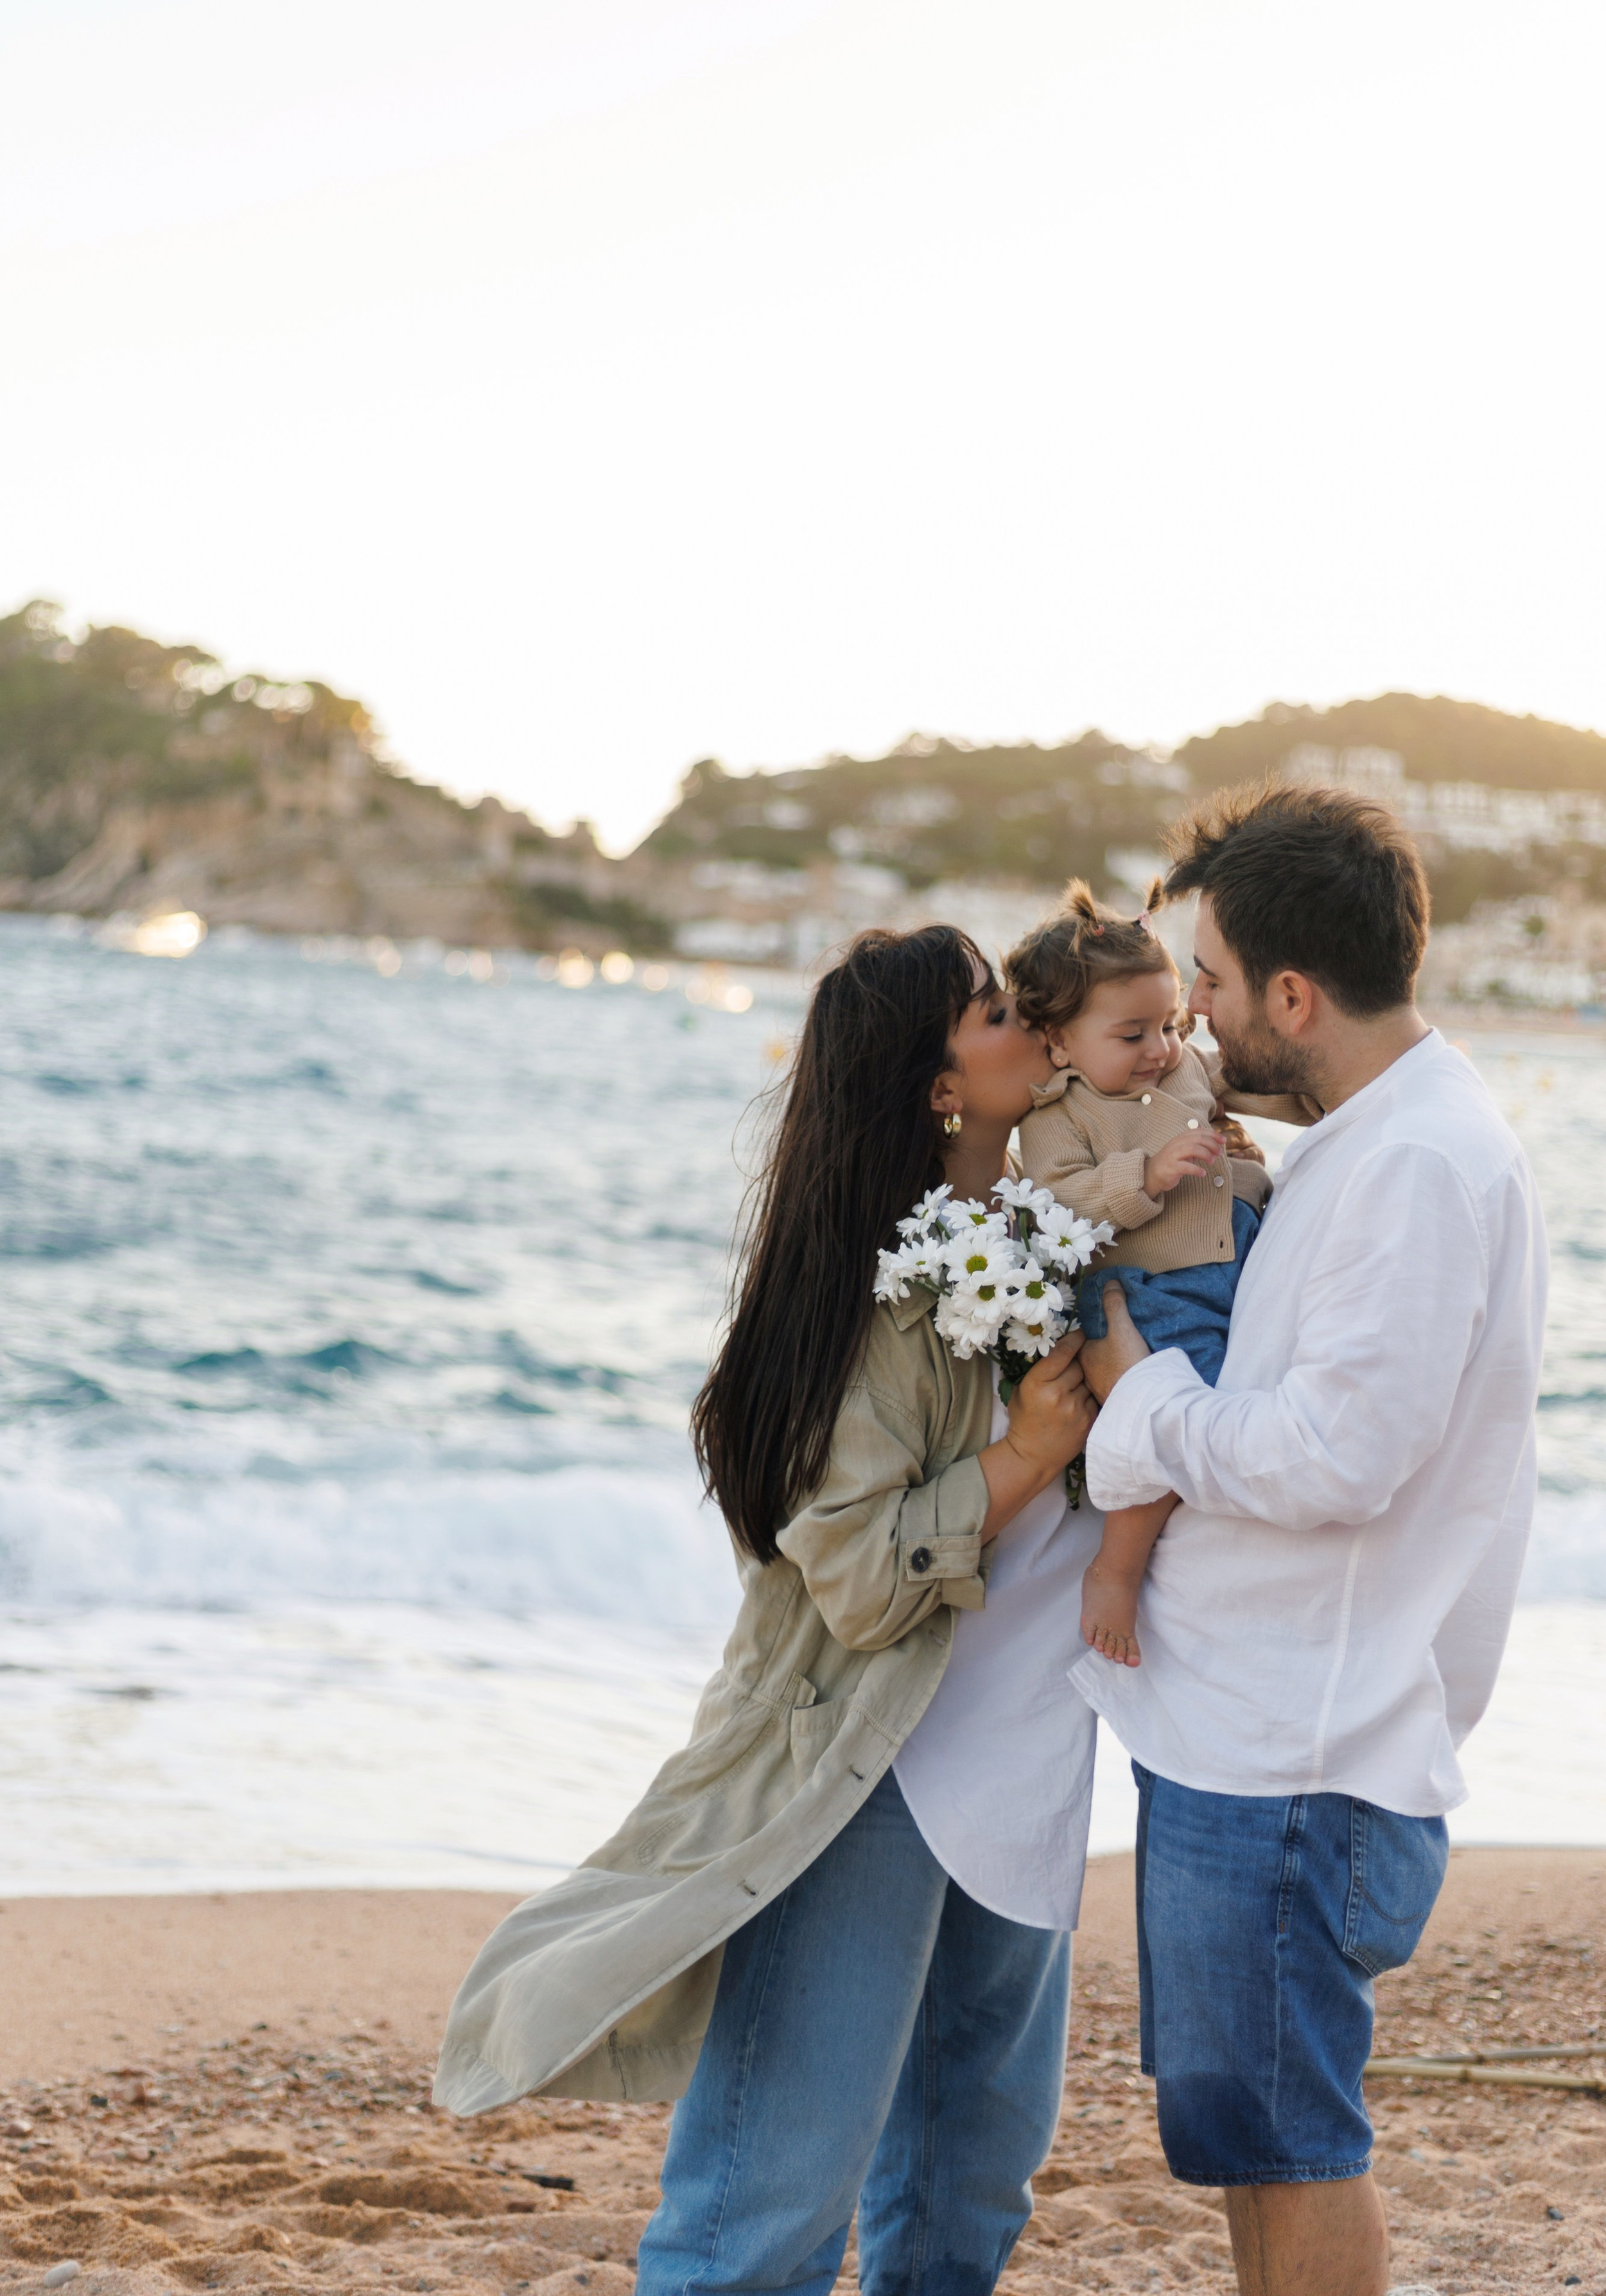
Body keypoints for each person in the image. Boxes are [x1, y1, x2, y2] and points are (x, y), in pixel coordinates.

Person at [433, 925, 1100, 2296]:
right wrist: (1023, 1458)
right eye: (990, 1010)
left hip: (1025, 1763)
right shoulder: (860, 1308)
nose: (1027, 1019)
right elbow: (856, 1581)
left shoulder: (1059, 1235)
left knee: (967, 2195)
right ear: (935, 1087)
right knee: (763, 2207)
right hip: (866, 1772)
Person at [1072, 783, 1548, 2296]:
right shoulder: (1370, 1138)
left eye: (1207, 985)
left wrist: (1137, 1399)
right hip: (1257, 1734)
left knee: (1288, 2148)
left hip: (1297, 1751)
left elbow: (1337, 1455)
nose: (1195, 1020)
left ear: (1290, 991)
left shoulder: (1413, 1162)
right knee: (1247, 2144)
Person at [1005, 879, 1315, 1665]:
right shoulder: (1056, 1117)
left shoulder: (1181, 1069)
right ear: (1059, 1043)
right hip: (1151, 1289)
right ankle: (1117, 1566)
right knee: (1178, 1411)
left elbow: (1261, 1084)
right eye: (1131, 1034)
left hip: (1231, 1263)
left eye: (1168, 1024)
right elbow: (1058, 1205)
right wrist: (1143, 1175)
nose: (1158, 1049)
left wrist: (1342, 1094)